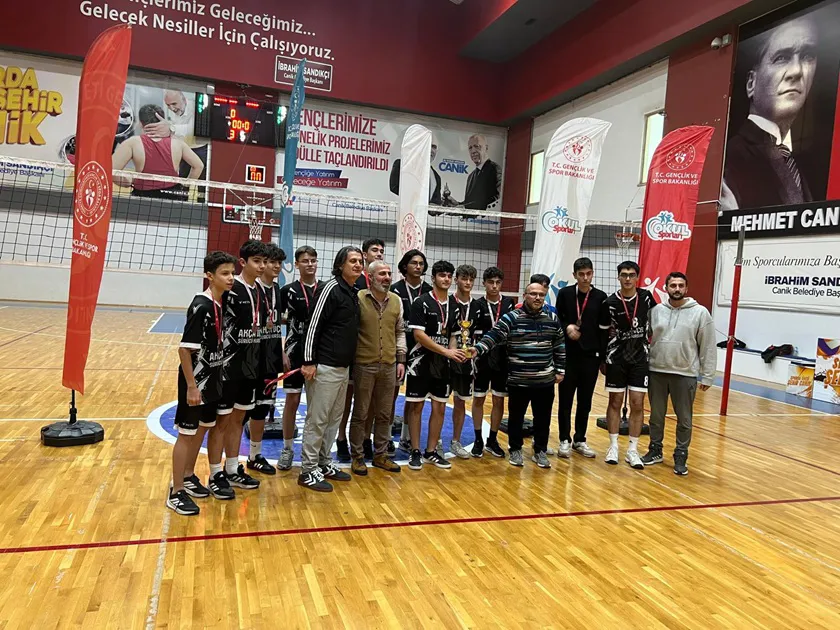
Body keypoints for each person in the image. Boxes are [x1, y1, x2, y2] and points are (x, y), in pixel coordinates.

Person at [721, 16, 817, 210]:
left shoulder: (800, 161)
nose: (797, 71)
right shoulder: (731, 156)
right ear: (751, 83)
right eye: (782, 58)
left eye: (807, 56)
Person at [168, 251, 235, 515]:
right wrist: (192, 387)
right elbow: (184, 350)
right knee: (186, 434)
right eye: (224, 273)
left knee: (203, 429)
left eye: (232, 273)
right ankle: (176, 491)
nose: (230, 278)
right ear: (210, 276)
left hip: (213, 378)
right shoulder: (201, 306)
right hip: (196, 381)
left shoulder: (221, 302)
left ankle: (187, 475)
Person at [474, 282, 565, 469]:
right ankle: (515, 449)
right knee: (516, 418)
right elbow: (494, 335)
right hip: (519, 380)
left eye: (541, 294)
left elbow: (559, 345)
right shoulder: (512, 317)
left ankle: (540, 450)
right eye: (533, 294)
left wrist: (560, 370)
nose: (537, 297)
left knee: (543, 419)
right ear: (525, 296)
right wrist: (477, 349)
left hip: (544, 380)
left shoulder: (552, 318)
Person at [298, 246, 363, 492]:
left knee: (334, 419)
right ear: (340, 265)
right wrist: (308, 361)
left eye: (360, 261)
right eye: (352, 261)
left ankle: (324, 462)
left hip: (342, 368)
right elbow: (313, 325)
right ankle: (307, 470)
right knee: (317, 420)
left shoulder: (352, 292)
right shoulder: (331, 288)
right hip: (324, 366)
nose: (358, 265)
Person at [642, 272, 716, 475]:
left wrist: (707, 374)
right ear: (666, 288)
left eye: (680, 285)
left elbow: (708, 345)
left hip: (685, 374)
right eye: (673, 285)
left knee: (684, 419)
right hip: (657, 371)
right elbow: (645, 338)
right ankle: (655, 450)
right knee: (656, 417)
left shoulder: (700, 313)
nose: (677, 289)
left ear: (686, 288)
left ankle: (681, 455)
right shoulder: (655, 311)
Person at [212, 240, 268, 496]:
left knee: (238, 419)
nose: (262, 266)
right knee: (222, 421)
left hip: (250, 367)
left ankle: (232, 469)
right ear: (243, 262)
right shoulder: (231, 289)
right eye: (257, 261)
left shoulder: (261, 291)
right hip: (228, 367)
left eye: (264, 261)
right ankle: (215, 474)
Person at [405, 260, 466, 471]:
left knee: (439, 407)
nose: (446, 279)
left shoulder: (455, 305)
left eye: (449, 276)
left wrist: (453, 354)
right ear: (433, 278)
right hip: (420, 362)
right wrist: (446, 351)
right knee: (416, 406)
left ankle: (431, 451)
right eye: (442, 275)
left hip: (442, 365)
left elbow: (453, 336)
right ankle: (415, 450)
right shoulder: (421, 302)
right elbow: (418, 335)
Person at [600, 261, 657, 469]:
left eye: (631, 275)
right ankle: (613, 446)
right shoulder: (609, 302)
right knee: (615, 402)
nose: (627, 278)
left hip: (640, 358)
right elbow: (603, 333)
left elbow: (657, 322)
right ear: (618, 277)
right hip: (616, 358)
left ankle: (633, 450)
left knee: (637, 403)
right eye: (624, 274)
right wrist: (602, 360)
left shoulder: (647, 297)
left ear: (637, 277)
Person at [350, 260, 405, 476]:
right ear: (370, 277)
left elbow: (400, 331)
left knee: (384, 414)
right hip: (364, 364)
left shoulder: (396, 300)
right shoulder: (358, 298)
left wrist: (401, 359)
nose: (387, 277)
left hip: (389, 365)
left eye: (389, 273)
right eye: (382, 273)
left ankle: (381, 455)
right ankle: (357, 457)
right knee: (361, 413)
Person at [335, 238, 387, 463]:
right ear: (365, 255)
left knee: (370, 402)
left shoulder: (381, 282)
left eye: (382, 251)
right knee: (346, 400)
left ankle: (366, 438)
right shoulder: (352, 281)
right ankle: (341, 438)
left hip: (371, 354)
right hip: (350, 352)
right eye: (375, 250)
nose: (379, 253)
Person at [554, 257, 608, 459]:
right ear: (574, 275)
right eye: (581, 274)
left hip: (590, 357)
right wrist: (567, 326)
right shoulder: (565, 294)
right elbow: (557, 320)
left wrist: (602, 357)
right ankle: (564, 439)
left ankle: (580, 439)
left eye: (588, 273)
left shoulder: (601, 297)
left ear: (592, 273)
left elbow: (603, 329)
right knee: (565, 400)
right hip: (568, 356)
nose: (585, 278)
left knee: (585, 401)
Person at [246, 243, 287, 476]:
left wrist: (281, 352)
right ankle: (229, 463)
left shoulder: (277, 289)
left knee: (262, 407)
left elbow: (276, 324)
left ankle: (255, 455)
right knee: (244, 410)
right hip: (251, 359)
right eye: (272, 262)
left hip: (270, 358)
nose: (276, 266)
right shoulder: (253, 289)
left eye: (279, 263)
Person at [277, 245, 319, 471]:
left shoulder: (325, 289)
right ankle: (287, 448)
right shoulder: (288, 291)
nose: (310, 264)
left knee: (316, 405)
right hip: (294, 352)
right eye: (305, 260)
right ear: (297, 264)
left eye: (313, 260)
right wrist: (282, 351)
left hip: (318, 355)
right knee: (292, 401)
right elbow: (275, 321)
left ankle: (311, 451)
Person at [111, 104, 204, 198]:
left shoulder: (133, 143)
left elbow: (111, 170)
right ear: (162, 121)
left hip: (142, 197)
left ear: (140, 123)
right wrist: (185, 185)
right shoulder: (178, 143)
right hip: (172, 197)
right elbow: (198, 166)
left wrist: (127, 182)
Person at [469, 266, 515, 458]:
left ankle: (493, 439)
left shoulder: (509, 303)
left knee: (498, 399)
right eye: (490, 282)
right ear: (484, 284)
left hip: (502, 357)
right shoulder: (477, 304)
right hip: (482, 357)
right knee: (479, 398)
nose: (494, 286)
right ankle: (478, 439)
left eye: (498, 282)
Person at [391, 249, 432, 452]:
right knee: (392, 393)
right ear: (405, 266)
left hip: (420, 350)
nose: (418, 266)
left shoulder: (429, 290)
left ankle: (406, 437)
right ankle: (386, 435)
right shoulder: (394, 289)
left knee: (413, 396)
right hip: (397, 347)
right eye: (414, 263)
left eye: (421, 263)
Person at [448, 264, 478, 460]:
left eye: (470, 279)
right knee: (438, 403)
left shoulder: (478, 306)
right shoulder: (448, 302)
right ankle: (436, 442)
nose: (467, 282)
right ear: (456, 280)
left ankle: (456, 441)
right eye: (464, 278)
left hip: (466, 361)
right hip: (445, 358)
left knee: (460, 402)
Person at [443, 134, 501, 211]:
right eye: (470, 148)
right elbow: (469, 203)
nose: (473, 151)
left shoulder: (495, 169)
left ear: (486, 148)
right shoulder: (471, 176)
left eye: (477, 146)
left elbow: (496, 199)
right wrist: (457, 204)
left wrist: (464, 207)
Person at [389, 141, 443, 205]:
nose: (431, 149)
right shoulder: (401, 164)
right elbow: (394, 187)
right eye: (427, 145)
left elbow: (436, 203)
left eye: (434, 147)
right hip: (404, 209)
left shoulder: (436, 177)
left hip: (424, 211)